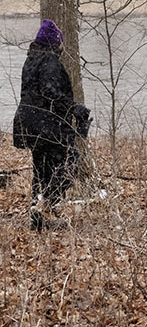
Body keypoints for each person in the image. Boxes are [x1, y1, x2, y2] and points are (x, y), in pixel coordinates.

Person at [12, 20, 88, 231]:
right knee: (69, 161)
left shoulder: (32, 60)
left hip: (30, 123)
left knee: (42, 168)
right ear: (55, 41)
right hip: (46, 124)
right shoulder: (49, 62)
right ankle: (48, 205)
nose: (63, 45)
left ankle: (39, 213)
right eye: (61, 41)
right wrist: (74, 109)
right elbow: (50, 92)